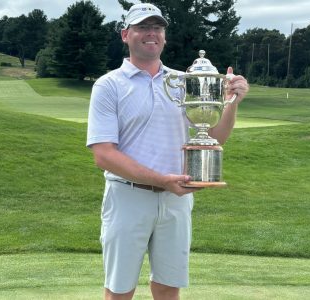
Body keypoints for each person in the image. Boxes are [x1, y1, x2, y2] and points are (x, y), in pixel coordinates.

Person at [86, 3, 249, 299]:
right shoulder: (108, 85)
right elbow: (104, 154)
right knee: (119, 290)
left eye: (157, 28)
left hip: (175, 201)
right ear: (126, 34)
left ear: (164, 36)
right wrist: (162, 180)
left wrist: (230, 104)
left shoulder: (183, 82)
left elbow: (212, 137)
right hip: (127, 197)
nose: (151, 33)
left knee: (167, 289)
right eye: (142, 27)